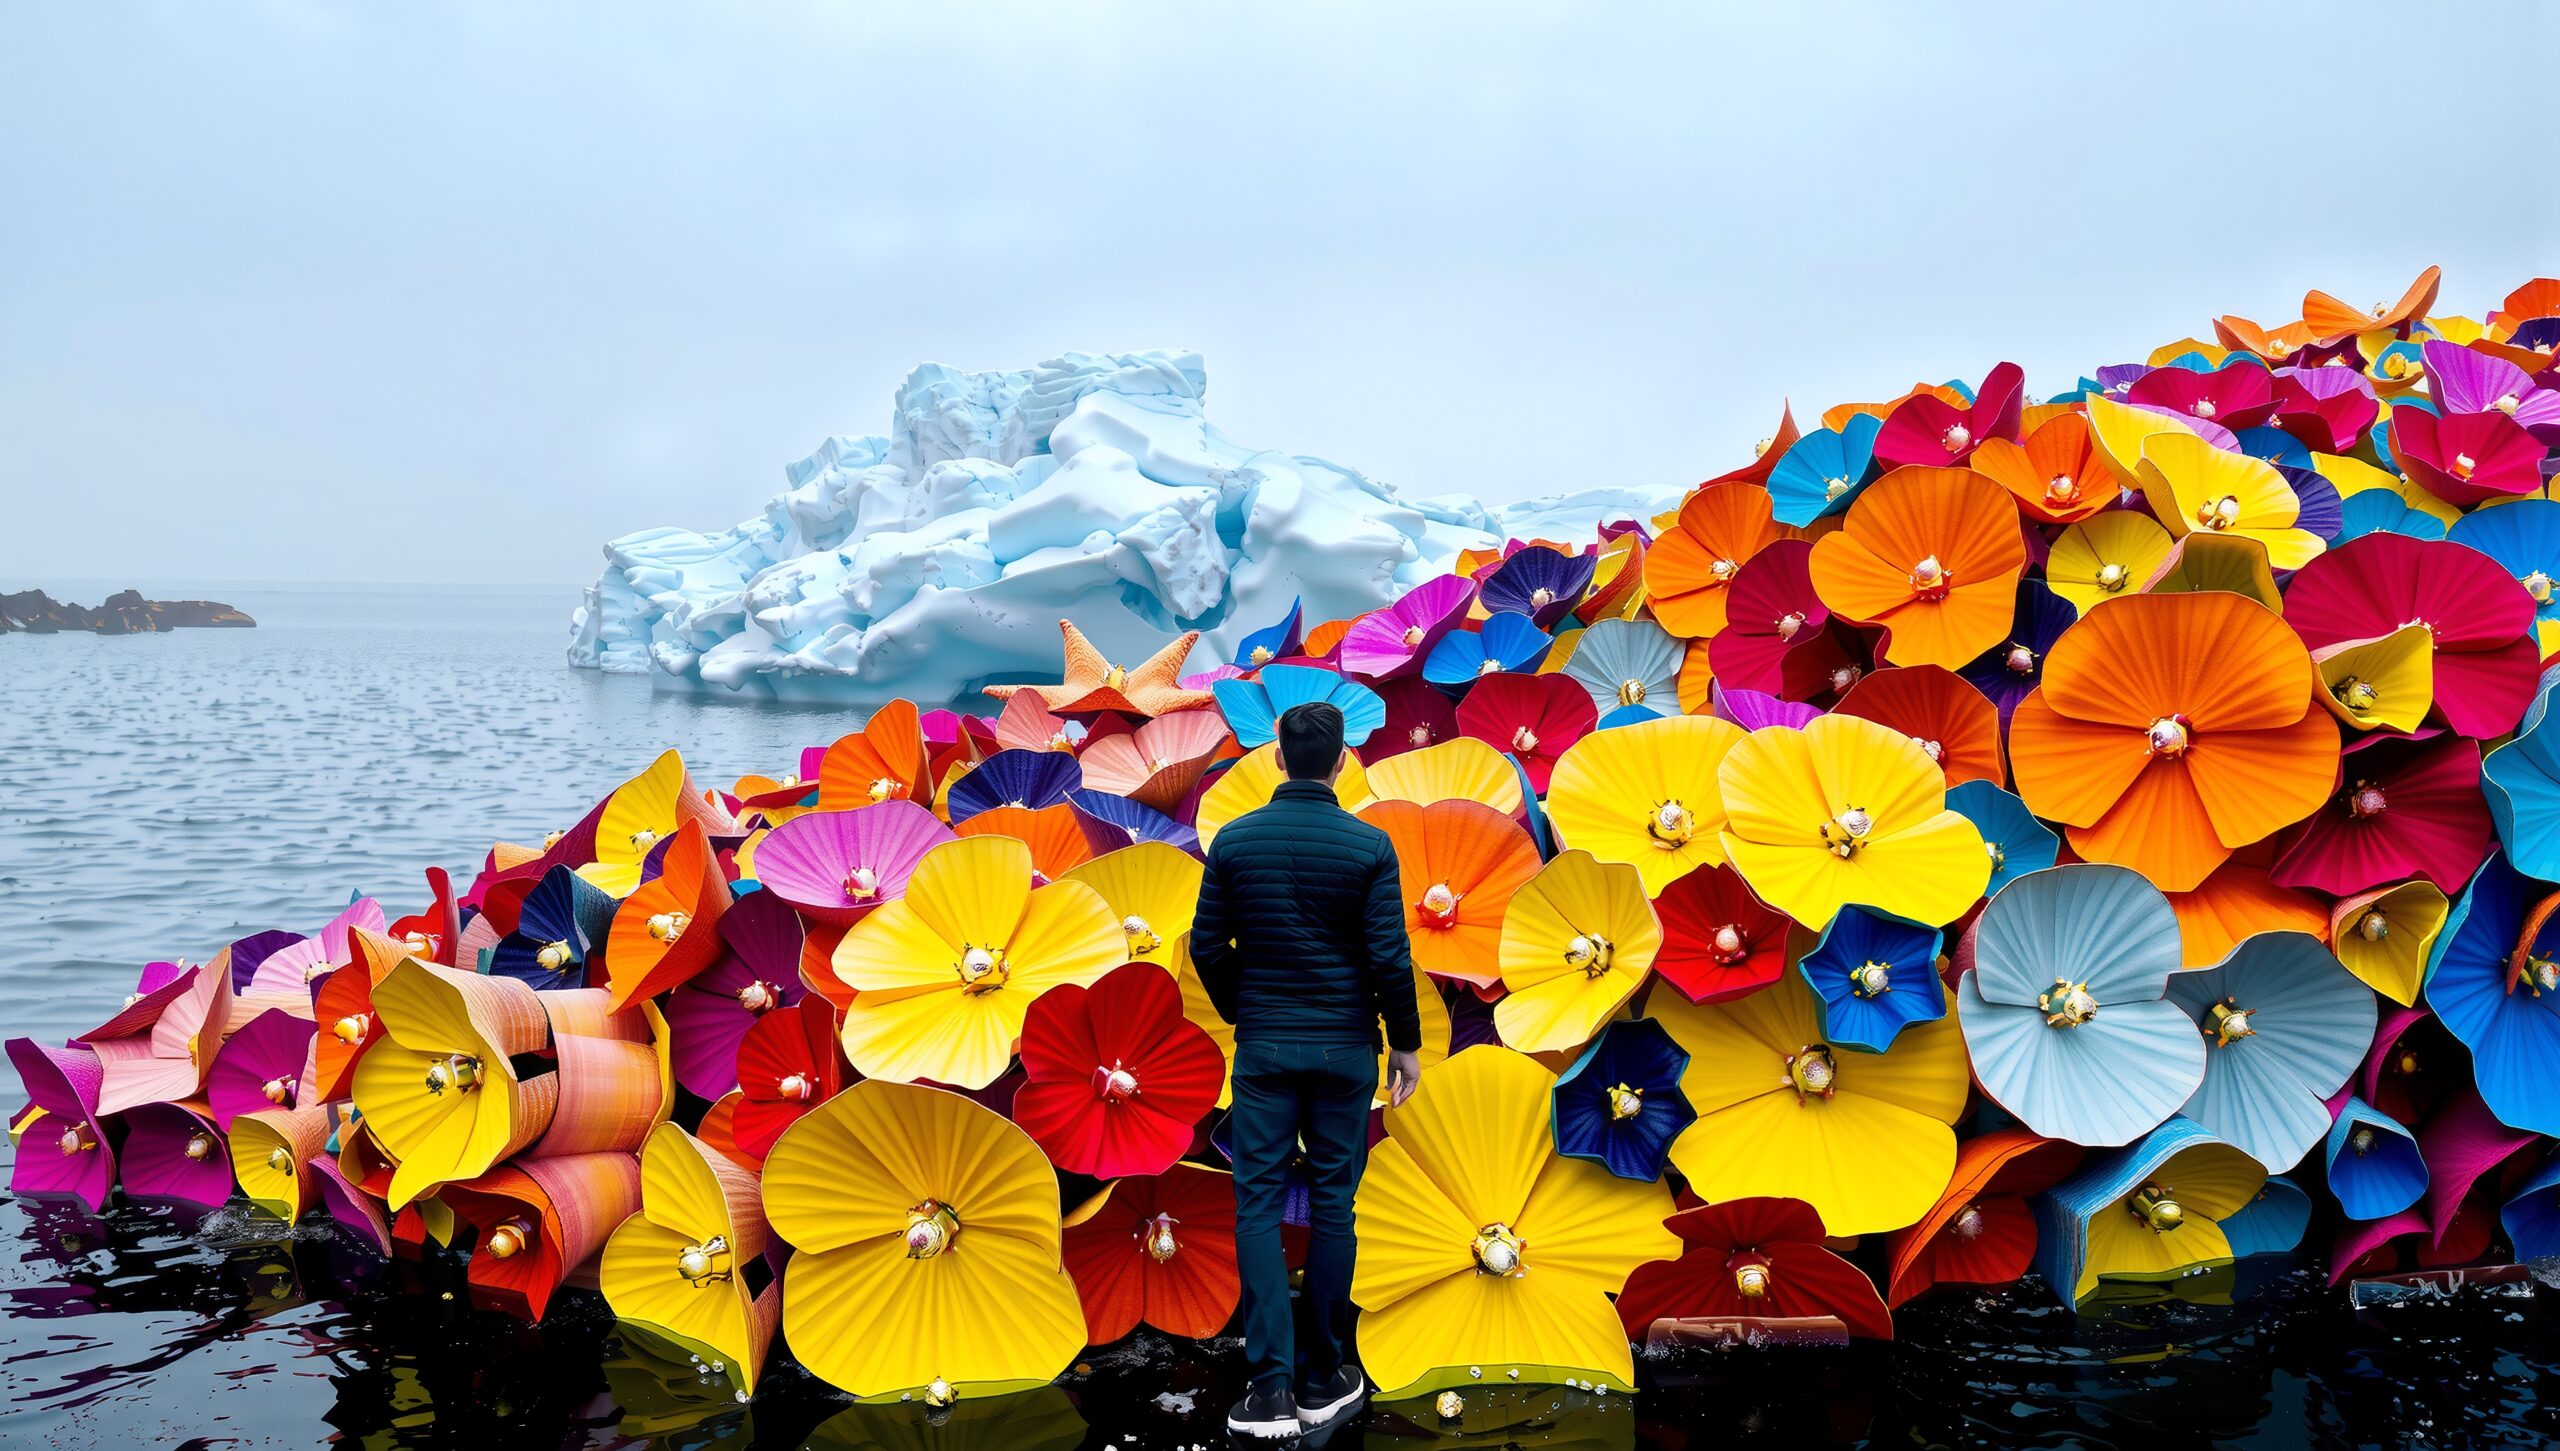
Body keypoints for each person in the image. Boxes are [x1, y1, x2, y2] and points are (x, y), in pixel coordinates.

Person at [1193, 699, 1424, 1440]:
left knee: (1256, 1205)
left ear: (1279, 759)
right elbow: (1389, 956)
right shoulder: (1368, 845)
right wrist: (1406, 1043)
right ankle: (1325, 1375)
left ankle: (1267, 1388)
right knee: (1334, 1204)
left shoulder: (1233, 840)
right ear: (1342, 759)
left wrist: (1244, 1007)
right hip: (1344, 1051)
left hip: (1264, 1048)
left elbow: (1205, 946)